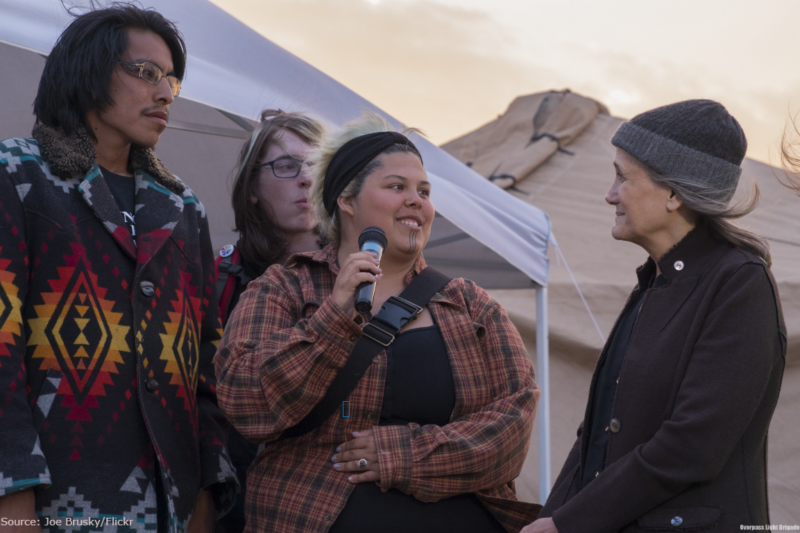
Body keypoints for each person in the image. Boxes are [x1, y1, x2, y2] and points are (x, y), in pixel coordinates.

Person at [214, 113, 542, 533]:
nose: (416, 201)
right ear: (346, 201)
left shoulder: (471, 305)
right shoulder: (282, 289)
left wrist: (402, 454)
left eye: (424, 191)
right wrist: (332, 319)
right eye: (396, 187)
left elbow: (513, 426)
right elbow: (247, 404)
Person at [0, 5, 237, 532]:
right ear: (86, 71)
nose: (166, 93)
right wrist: (10, 496)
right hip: (51, 505)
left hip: (170, 509)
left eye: (171, 79)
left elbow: (206, 364)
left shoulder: (182, 208)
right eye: (146, 72)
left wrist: (204, 496)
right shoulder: (17, 175)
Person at [523, 100, 786, 533]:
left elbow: (692, 446)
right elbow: (596, 438)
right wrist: (553, 517)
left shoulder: (740, 285)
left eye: (622, 177)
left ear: (674, 193)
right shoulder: (655, 281)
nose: (609, 194)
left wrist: (568, 524)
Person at [214, 110, 324, 533]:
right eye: (286, 165)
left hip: (327, 501)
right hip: (228, 498)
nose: (305, 179)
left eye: (317, 165)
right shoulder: (219, 280)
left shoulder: (368, 280)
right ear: (252, 189)